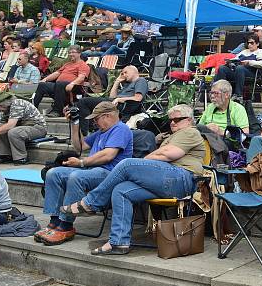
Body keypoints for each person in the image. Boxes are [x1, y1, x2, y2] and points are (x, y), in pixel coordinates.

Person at [61, 104, 205, 255]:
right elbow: (160, 155)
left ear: (189, 120)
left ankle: (90, 203)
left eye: (178, 119)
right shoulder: (173, 135)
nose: (173, 122)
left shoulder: (190, 132)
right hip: (164, 180)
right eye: (171, 120)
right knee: (121, 190)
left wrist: (145, 161)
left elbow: (167, 154)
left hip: (182, 178)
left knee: (127, 164)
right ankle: (118, 242)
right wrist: (149, 160)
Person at [37, 102, 134, 245]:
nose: (94, 122)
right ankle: (55, 220)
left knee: (76, 176)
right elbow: (80, 146)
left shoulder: (121, 129)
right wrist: (75, 123)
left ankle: (65, 225)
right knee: (53, 173)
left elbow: (108, 155)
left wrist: (82, 163)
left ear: (107, 116)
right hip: (92, 170)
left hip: (110, 173)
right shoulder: (101, 132)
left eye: (96, 118)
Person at [72, 65, 146, 134]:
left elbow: (138, 98)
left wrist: (119, 99)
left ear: (134, 71)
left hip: (124, 105)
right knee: (82, 103)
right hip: (114, 103)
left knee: (84, 102)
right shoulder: (127, 84)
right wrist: (117, 82)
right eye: (122, 73)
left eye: (126, 72)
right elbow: (112, 97)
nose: (124, 75)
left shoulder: (140, 80)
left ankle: (85, 133)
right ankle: (91, 130)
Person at [0, 91, 47, 165]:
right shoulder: (6, 109)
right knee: (1, 131)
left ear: (4, 103)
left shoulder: (17, 104)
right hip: (23, 127)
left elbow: (10, 125)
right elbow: (0, 126)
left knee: (12, 132)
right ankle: (6, 156)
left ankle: (21, 158)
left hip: (37, 128)